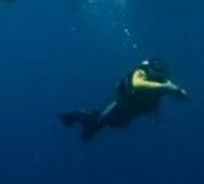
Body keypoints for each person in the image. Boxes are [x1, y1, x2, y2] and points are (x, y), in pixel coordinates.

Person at [58, 59, 188, 142]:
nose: (158, 72)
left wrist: (180, 93)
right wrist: (165, 87)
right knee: (99, 120)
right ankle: (73, 116)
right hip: (121, 107)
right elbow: (137, 84)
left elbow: (177, 93)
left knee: (104, 123)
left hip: (129, 114)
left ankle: (81, 124)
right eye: (155, 69)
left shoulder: (163, 82)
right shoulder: (141, 73)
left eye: (160, 70)